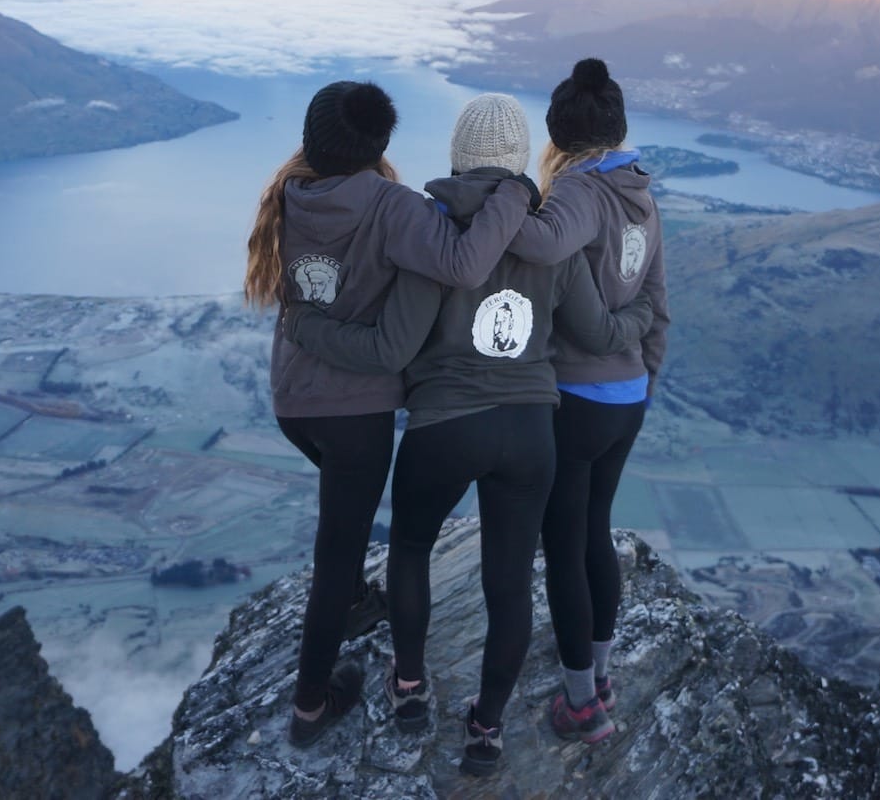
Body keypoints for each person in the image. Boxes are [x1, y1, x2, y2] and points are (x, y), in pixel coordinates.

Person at [287, 92, 654, 776]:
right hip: (531, 432)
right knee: (508, 583)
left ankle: (408, 688)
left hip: (445, 427)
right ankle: (486, 729)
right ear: (518, 159)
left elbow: (397, 342)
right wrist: (640, 320)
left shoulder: (435, 232)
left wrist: (310, 328)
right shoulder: (551, 238)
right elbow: (592, 330)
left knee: (411, 549)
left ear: (457, 156)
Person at [244, 80, 536, 747]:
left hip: (293, 404)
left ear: (314, 138)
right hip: (354, 416)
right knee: (336, 553)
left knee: (341, 533)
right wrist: (515, 193)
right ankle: (309, 709)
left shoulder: (290, 192)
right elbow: (465, 263)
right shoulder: (393, 206)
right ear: (379, 143)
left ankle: (354, 599)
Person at [506, 58, 670, 745]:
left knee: (564, 545)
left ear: (559, 134)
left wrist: (495, 197)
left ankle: (580, 704)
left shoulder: (579, 188)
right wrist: (642, 378)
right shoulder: (639, 192)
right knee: (594, 531)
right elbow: (657, 300)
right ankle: (599, 675)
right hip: (625, 396)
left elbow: (541, 243)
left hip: (577, 397)